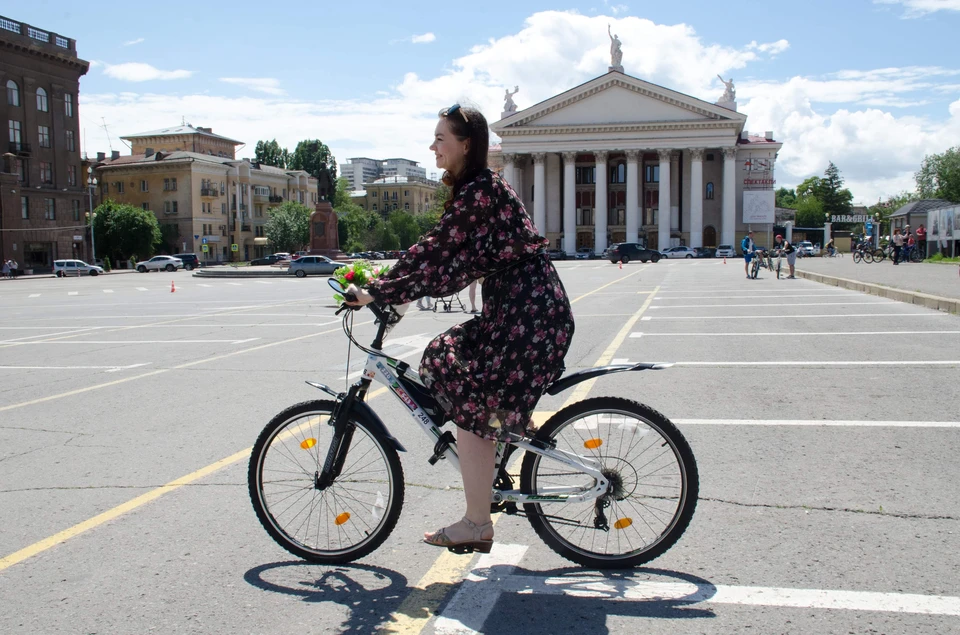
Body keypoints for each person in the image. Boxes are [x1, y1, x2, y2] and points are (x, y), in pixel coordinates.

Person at [344, 103, 575, 553]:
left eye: (440, 139)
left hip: (527, 316)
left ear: (465, 144)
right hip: (525, 311)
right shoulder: (479, 189)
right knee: (447, 355)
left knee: (458, 379)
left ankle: (476, 521)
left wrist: (379, 291)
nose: (433, 147)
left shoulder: (479, 193)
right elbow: (440, 252)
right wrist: (388, 284)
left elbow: (442, 258)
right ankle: (501, 425)